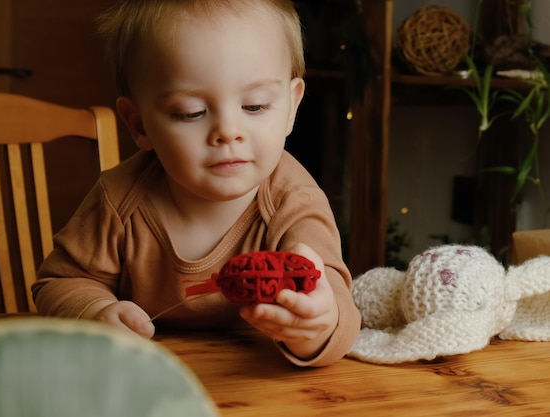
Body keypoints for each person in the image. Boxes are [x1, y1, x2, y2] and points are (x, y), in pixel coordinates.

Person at [32, 0, 360, 367]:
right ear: (139, 124)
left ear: (291, 107)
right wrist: (94, 312)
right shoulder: (119, 198)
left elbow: (338, 305)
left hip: (255, 381)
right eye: (191, 113)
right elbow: (58, 283)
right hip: (145, 379)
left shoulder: (293, 202)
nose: (228, 132)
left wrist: (317, 326)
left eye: (254, 106)